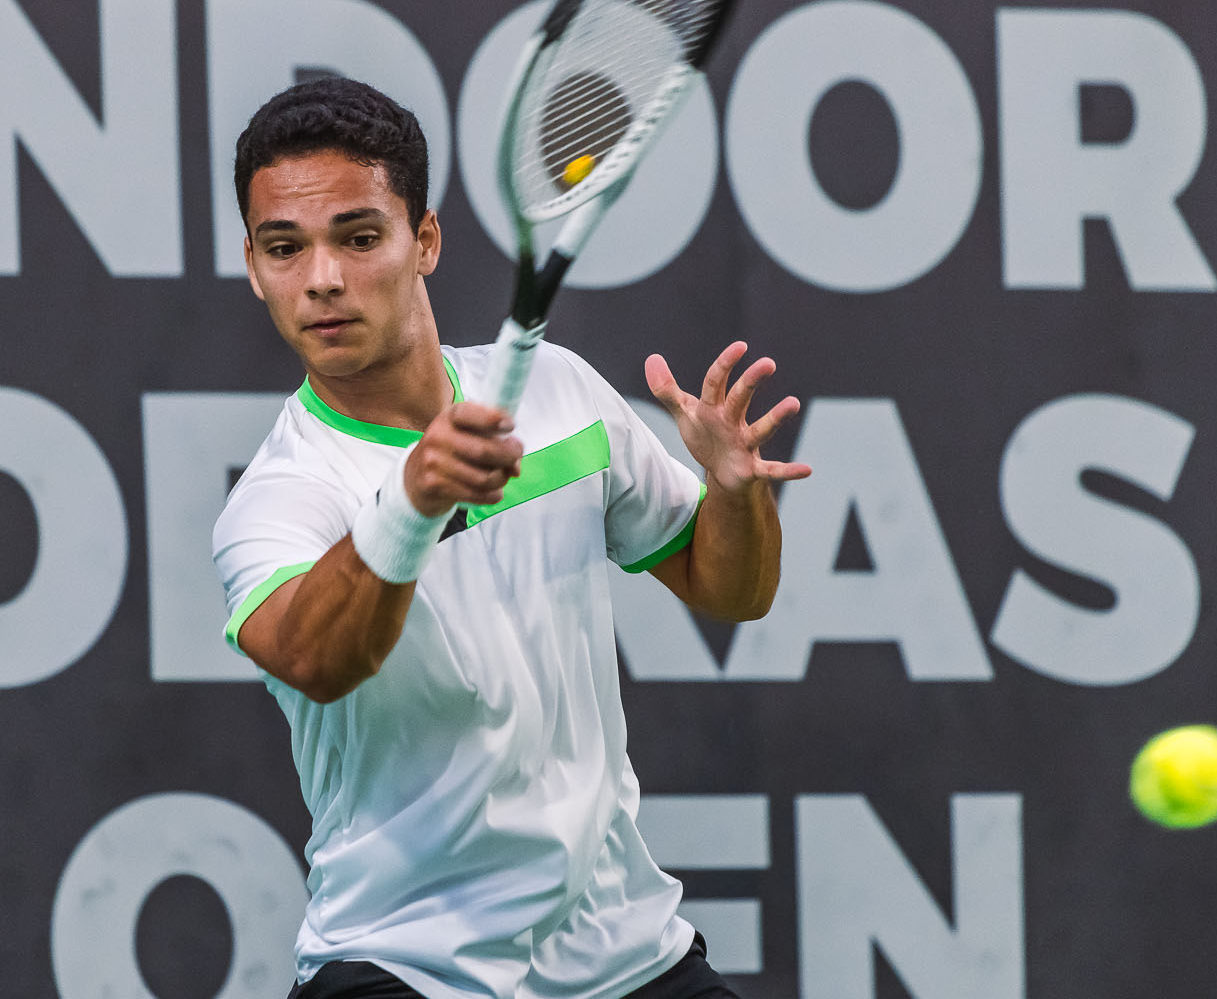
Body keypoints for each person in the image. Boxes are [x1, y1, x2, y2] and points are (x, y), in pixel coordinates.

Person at [212, 76, 811, 999]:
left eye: (359, 237)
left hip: (625, 951)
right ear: (253, 267)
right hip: (406, 964)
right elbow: (317, 657)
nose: (322, 278)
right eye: (285, 249)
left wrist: (733, 495)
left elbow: (732, 590)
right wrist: (412, 499)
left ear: (426, 241)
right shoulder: (281, 496)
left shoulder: (561, 393)